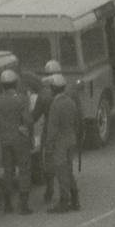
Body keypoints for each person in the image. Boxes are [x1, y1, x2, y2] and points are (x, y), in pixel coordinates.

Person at [0, 69, 34, 215]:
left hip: (5, 140)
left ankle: (7, 205)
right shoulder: (21, 99)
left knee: (8, 171)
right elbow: (28, 120)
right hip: (20, 139)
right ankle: (24, 205)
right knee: (24, 170)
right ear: (15, 83)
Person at [45, 72, 82, 213]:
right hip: (71, 139)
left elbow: (52, 128)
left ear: (53, 89)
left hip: (60, 142)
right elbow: (77, 122)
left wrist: (49, 146)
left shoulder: (56, 105)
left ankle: (64, 202)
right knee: (68, 170)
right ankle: (75, 200)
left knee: (61, 172)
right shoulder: (70, 102)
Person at [29, 59, 61, 203]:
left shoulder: (43, 95)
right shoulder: (68, 90)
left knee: (47, 162)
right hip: (65, 132)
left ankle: (50, 190)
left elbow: (35, 116)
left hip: (49, 133)